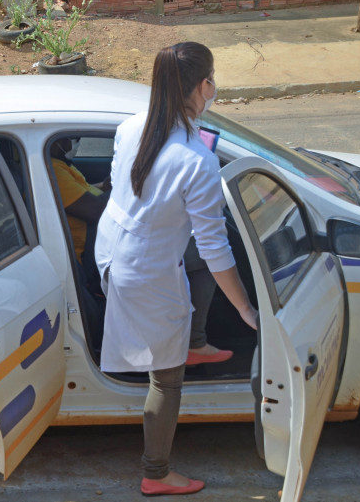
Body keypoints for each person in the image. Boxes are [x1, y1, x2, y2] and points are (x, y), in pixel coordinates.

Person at [94, 42, 258, 497]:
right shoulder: (197, 161)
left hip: (115, 248)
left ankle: (196, 341)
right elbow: (215, 249)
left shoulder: (132, 127)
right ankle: (156, 472)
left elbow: (123, 186)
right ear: (205, 85)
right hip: (144, 270)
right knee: (167, 379)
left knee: (194, 273)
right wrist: (246, 308)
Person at [50, 137, 109, 293]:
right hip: (87, 254)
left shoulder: (62, 165)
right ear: (58, 142)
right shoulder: (54, 172)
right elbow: (95, 211)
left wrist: (104, 186)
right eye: (74, 139)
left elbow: (82, 192)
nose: (77, 144)